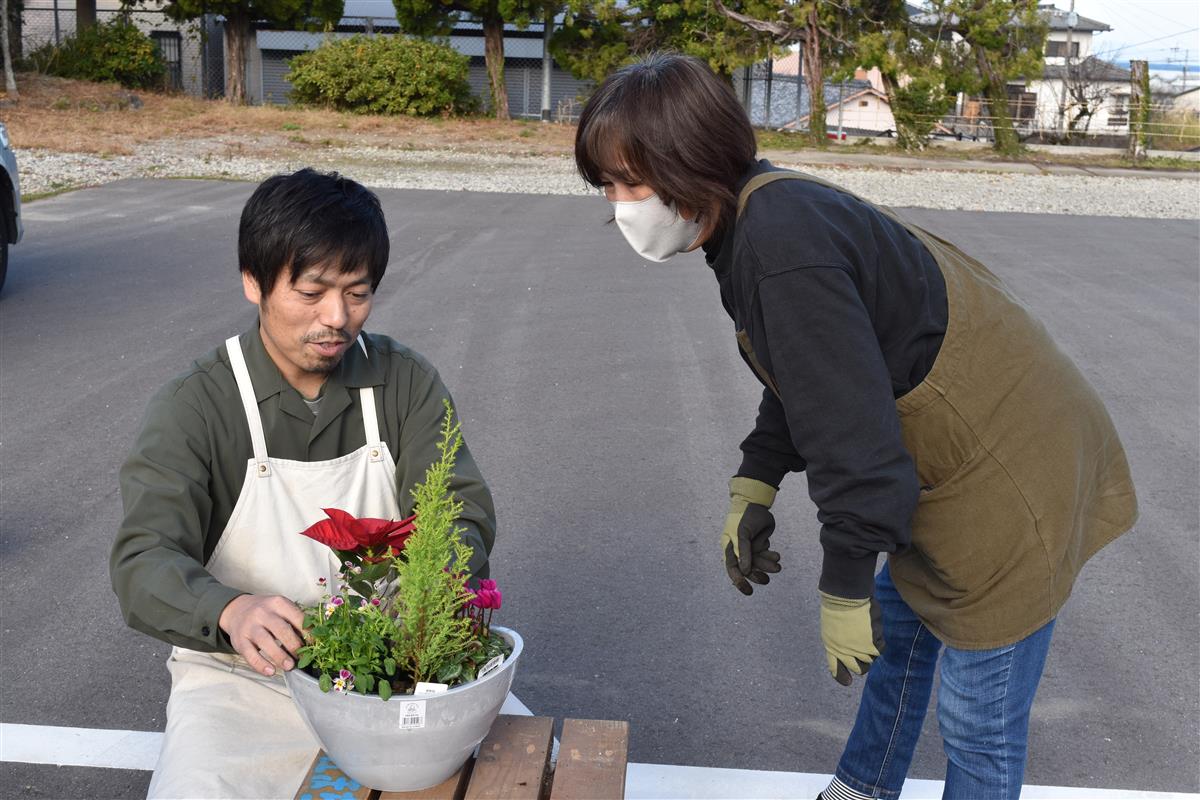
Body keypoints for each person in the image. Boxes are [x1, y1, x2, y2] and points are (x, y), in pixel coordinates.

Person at [574, 53, 1136, 799]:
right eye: (607, 186)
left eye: (630, 182)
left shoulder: (781, 244)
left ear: (688, 162)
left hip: (1010, 474)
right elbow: (809, 373)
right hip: (953, 462)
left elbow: (857, 444)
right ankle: (864, 788)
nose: (619, 205)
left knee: (978, 719)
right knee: (901, 644)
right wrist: (757, 478)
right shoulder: (750, 220)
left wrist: (842, 587)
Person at [110, 168, 496, 799]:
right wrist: (230, 610)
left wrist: (433, 592)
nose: (337, 318)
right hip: (242, 680)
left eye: (358, 293)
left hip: (395, 665)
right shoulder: (198, 405)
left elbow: (460, 508)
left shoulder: (403, 383)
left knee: (534, 772)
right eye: (312, 292)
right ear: (253, 282)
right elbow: (142, 558)